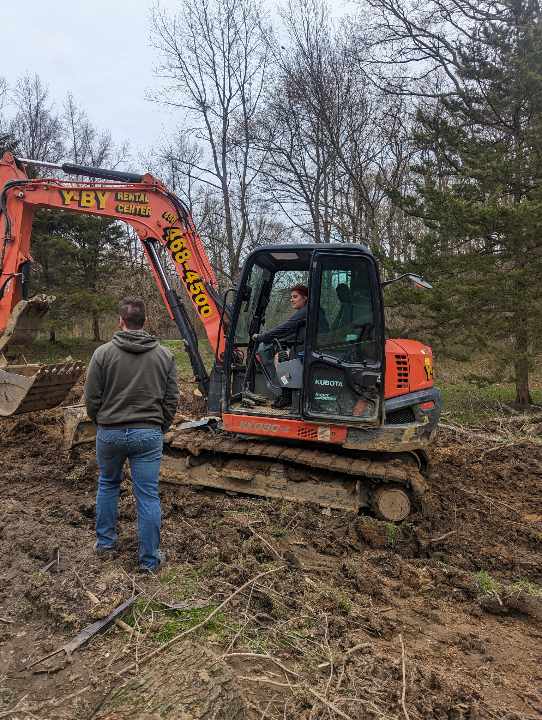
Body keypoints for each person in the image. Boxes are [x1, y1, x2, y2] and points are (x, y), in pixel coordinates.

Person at [84, 297, 179, 573]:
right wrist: (161, 426)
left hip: (110, 432)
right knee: (148, 496)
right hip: (148, 434)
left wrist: (100, 420)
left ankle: (105, 544)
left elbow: (92, 397)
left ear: (120, 321)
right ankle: (149, 560)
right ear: (145, 322)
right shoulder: (164, 355)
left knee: (108, 484)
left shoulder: (102, 354)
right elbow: (171, 398)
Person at [253, 284, 309, 409]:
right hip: (308, 347)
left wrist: (263, 337)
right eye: (291, 297)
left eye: (295, 297)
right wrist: (280, 339)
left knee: (280, 358)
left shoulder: (305, 311)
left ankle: (286, 395)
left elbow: (286, 327)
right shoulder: (309, 311)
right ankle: (287, 392)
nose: (291, 299)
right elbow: (296, 332)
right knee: (284, 354)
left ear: (305, 298)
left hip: (307, 351)